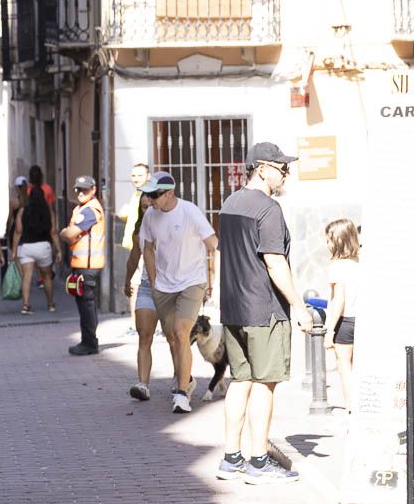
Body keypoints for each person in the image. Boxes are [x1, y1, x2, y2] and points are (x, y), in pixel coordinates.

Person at [217, 142, 309, 484]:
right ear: (261, 168)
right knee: (264, 385)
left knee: (239, 382)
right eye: (281, 167)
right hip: (264, 309)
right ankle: (258, 461)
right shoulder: (269, 209)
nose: (286, 173)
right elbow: (274, 260)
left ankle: (231, 457)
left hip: (234, 307)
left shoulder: (229, 204)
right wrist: (298, 305)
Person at [139, 171, 218, 414]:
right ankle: (187, 379)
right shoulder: (150, 216)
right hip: (163, 285)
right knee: (172, 338)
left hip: (191, 282)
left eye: (155, 195)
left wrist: (214, 281)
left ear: (170, 193)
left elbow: (214, 245)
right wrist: (153, 282)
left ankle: (182, 394)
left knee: (182, 333)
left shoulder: (190, 212)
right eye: (148, 194)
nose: (150, 199)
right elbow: (148, 248)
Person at [60, 175, 105, 355]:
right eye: (78, 189)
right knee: (85, 304)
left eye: (84, 189)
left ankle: (90, 343)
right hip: (83, 264)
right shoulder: (84, 208)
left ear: (93, 189)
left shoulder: (90, 210)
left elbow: (70, 234)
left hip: (88, 265)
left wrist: (64, 232)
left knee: (86, 305)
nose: (80, 193)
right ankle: (88, 341)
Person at [322, 218, 360, 409]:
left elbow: (339, 300)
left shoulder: (337, 267)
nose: (326, 244)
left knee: (344, 365)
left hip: (344, 321)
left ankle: (352, 406)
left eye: (328, 240)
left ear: (337, 241)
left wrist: (329, 331)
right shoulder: (359, 263)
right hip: (361, 318)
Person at [124, 194, 158, 400]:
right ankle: (143, 384)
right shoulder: (139, 233)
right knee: (144, 335)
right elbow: (133, 258)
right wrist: (127, 280)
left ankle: (180, 381)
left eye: (150, 205)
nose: (147, 211)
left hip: (172, 287)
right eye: (143, 207)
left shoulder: (171, 223)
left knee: (174, 338)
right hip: (146, 285)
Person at [13, 173, 58, 314]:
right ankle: (50, 304)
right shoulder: (48, 211)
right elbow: (53, 231)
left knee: (27, 276)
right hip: (43, 246)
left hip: (26, 247)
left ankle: (26, 306)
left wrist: (14, 250)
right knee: (46, 276)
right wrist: (59, 249)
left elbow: (18, 231)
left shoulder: (23, 210)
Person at [119, 163, 151, 251]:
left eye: (140, 175)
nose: (136, 179)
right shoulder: (137, 193)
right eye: (133, 176)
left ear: (148, 176)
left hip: (142, 247)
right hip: (131, 245)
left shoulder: (150, 196)